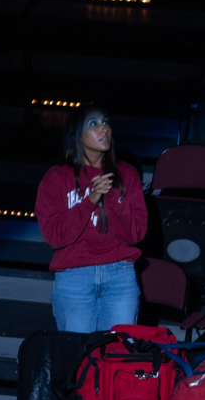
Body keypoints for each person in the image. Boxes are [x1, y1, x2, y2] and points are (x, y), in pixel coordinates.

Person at [34, 103, 146, 333]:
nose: (104, 128)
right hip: (74, 277)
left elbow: (135, 233)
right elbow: (55, 237)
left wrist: (113, 194)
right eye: (94, 123)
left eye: (106, 122)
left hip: (120, 275)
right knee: (78, 358)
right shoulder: (56, 178)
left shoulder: (126, 174)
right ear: (77, 133)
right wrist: (91, 199)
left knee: (117, 355)